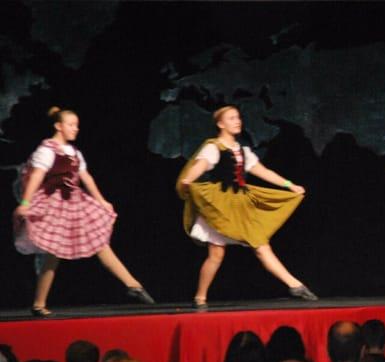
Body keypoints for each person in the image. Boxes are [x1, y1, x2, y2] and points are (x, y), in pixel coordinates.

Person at [13, 107, 154, 316]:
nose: (75, 129)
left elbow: (86, 178)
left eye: (76, 125)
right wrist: (25, 201)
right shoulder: (47, 150)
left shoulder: (74, 152)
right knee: (53, 255)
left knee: (100, 244)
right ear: (58, 126)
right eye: (71, 125)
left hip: (76, 203)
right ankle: (39, 303)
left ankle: (133, 286)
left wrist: (102, 200)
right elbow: (36, 176)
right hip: (55, 204)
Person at [176, 105, 317, 308]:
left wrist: (289, 185)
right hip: (220, 204)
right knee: (216, 254)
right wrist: (189, 179)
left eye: (238, 117)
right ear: (220, 123)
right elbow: (200, 165)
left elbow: (262, 171)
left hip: (240, 204)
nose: (237, 121)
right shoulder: (213, 147)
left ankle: (294, 284)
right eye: (232, 118)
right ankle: (200, 297)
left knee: (260, 245)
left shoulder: (243, 150)